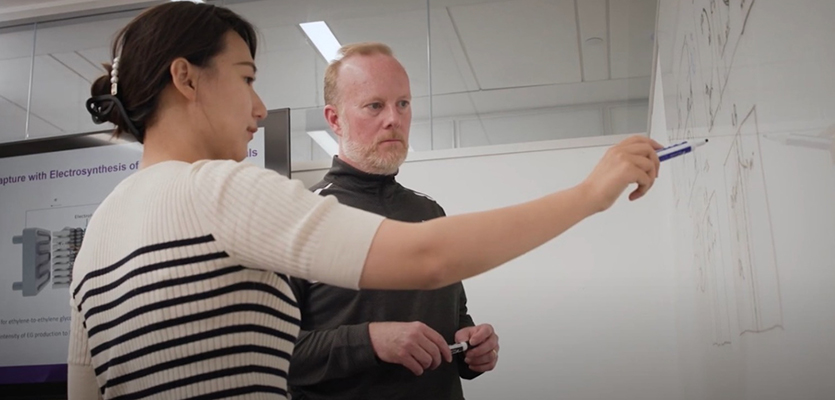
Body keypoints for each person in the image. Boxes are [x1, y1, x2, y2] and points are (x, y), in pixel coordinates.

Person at [69, 2, 662, 400]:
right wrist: (588, 194)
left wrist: (467, 344)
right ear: (187, 79)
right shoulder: (222, 190)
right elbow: (429, 257)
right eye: (248, 78)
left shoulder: (99, 232)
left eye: (402, 104)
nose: (258, 107)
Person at [287, 42, 498, 400]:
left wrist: (470, 344)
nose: (394, 119)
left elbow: (455, 315)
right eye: (374, 106)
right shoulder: (300, 218)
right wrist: (369, 340)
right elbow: (271, 350)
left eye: (403, 104)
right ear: (335, 119)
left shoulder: (429, 213)